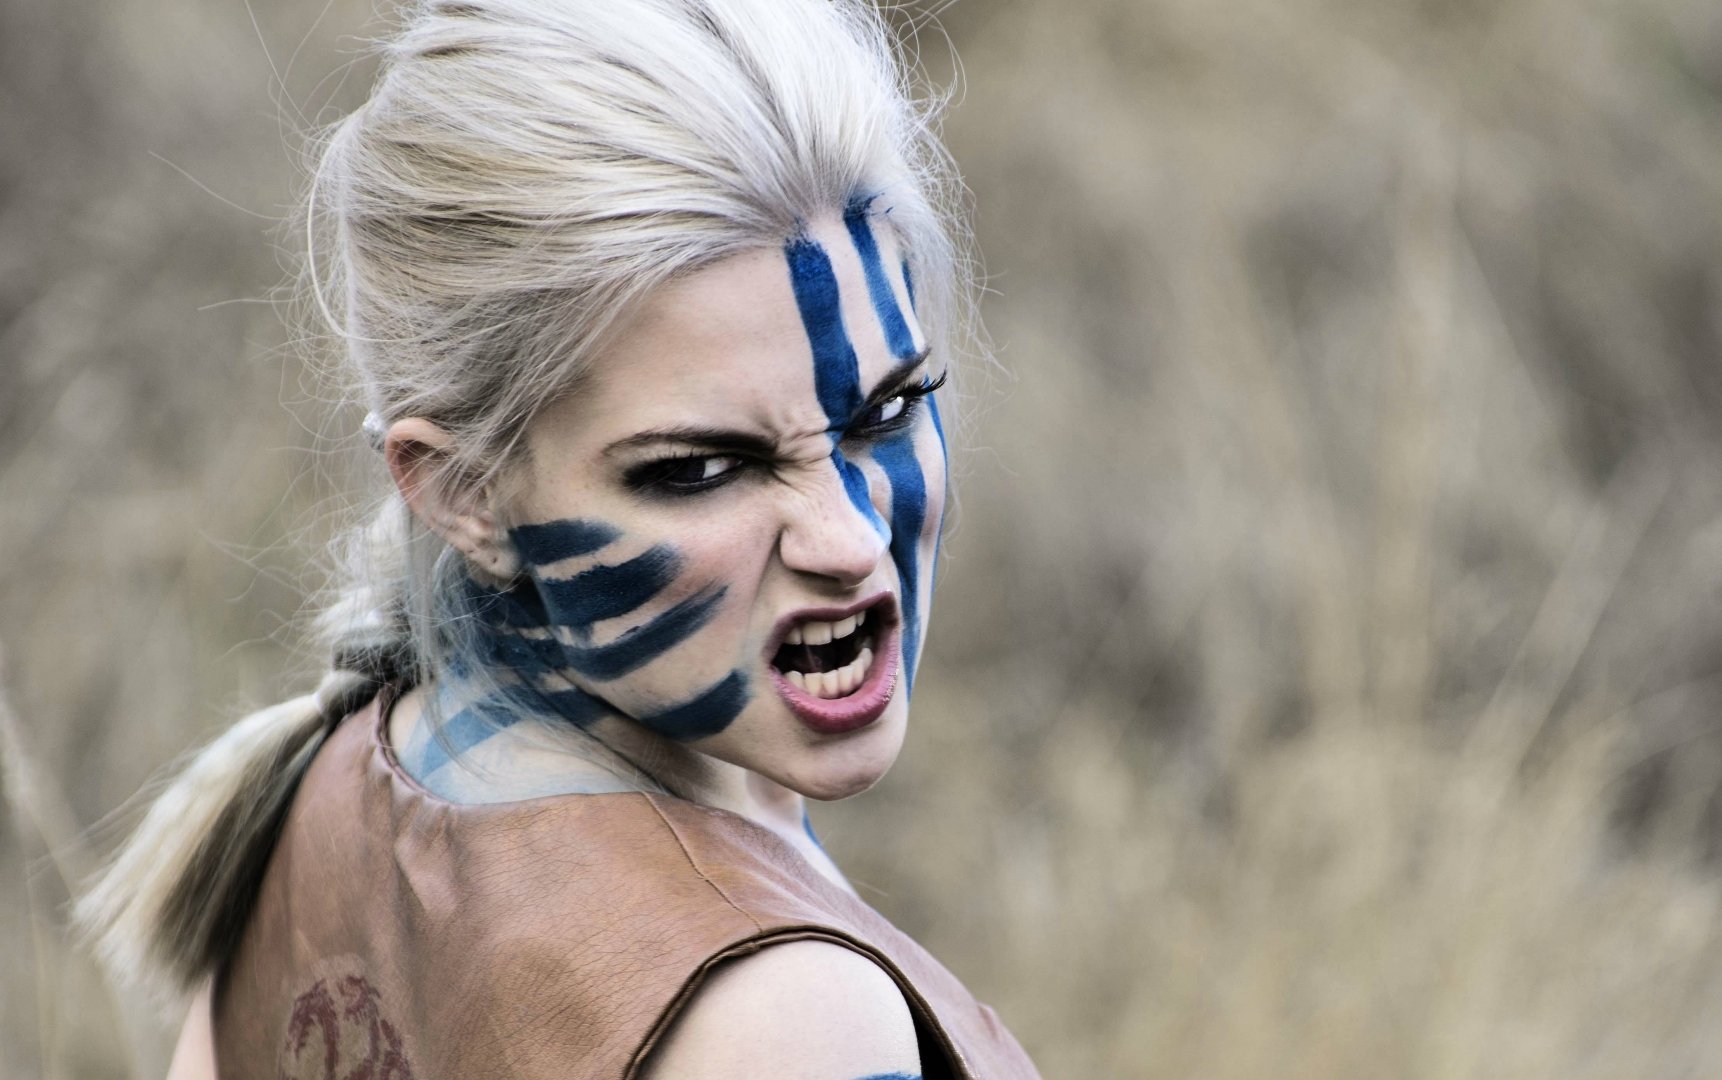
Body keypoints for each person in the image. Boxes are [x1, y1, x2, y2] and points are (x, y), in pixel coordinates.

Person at [77, 1, 1039, 1076]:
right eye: (700, 469)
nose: (848, 539)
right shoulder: (790, 1018)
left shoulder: (326, 797)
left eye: (887, 412)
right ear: (465, 493)